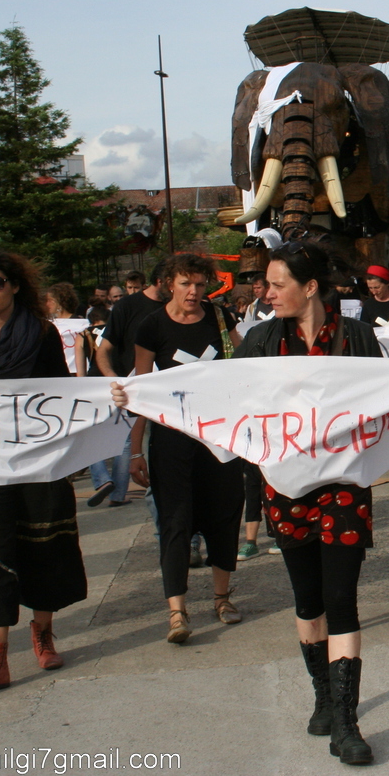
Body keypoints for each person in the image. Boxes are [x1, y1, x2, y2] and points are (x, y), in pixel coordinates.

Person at [231, 242, 389, 765]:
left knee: (341, 598)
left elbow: (388, 396)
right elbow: (225, 394)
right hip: (285, 489)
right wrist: (146, 394)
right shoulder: (260, 339)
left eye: (277, 283)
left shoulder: (355, 337)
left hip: (343, 489)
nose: (267, 292)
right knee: (308, 601)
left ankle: (347, 722)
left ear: (309, 288)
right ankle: (322, 698)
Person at [0, 250, 88, 691]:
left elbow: (60, 393)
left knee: (42, 549)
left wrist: (106, 400)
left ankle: (43, 634)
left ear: (13, 286)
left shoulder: (42, 334)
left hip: (37, 462)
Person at [121, 254, 244, 645]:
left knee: (224, 514)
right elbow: (141, 390)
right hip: (172, 439)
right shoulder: (151, 325)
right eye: (185, 283)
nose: (193, 291)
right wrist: (136, 449)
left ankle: (222, 598)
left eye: (200, 284)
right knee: (174, 520)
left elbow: (245, 368)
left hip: (220, 437)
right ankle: (177, 610)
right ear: (169, 283)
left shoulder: (221, 318)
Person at [95, 260, 168, 510]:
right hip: (140, 401)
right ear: (161, 282)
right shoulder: (127, 307)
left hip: (178, 405)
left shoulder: (186, 308)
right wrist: (115, 381)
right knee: (154, 479)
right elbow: (103, 350)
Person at [79, 305, 131, 508]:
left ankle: (102, 480)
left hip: (94, 385)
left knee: (92, 434)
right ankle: (118, 494)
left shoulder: (83, 335)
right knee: (124, 440)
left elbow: (81, 368)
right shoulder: (117, 333)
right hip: (117, 383)